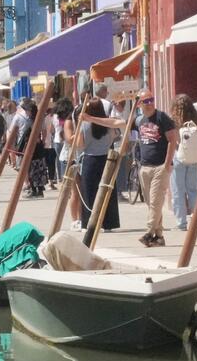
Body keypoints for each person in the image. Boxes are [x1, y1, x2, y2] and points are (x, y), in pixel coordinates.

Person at [130, 92, 177, 247]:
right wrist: (90, 118)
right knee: (152, 204)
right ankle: (159, 237)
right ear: (139, 104)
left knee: (156, 202)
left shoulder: (162, 118)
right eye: (145, 101)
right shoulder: (139, 120)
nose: (149, 103)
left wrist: (167, 164)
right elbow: (117, 123)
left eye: (151, 100)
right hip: (145, 167)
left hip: (160, 167)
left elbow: (172, 139)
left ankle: (149, 232)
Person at [75, 98, 123, 231]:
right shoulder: (108, 124)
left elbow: (80, 145)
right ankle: (108, 223)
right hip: (106, 159)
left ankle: (89, 223)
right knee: (108, 191)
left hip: (90, 160)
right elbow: (114, 136)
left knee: (89, 192)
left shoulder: (84, 125)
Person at [170, 96, 197, 232]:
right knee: (193, 190)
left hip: (178, 158)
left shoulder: (173, 121)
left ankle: (181, 223)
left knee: (178, 191)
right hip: (193, 158)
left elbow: (172, 141)